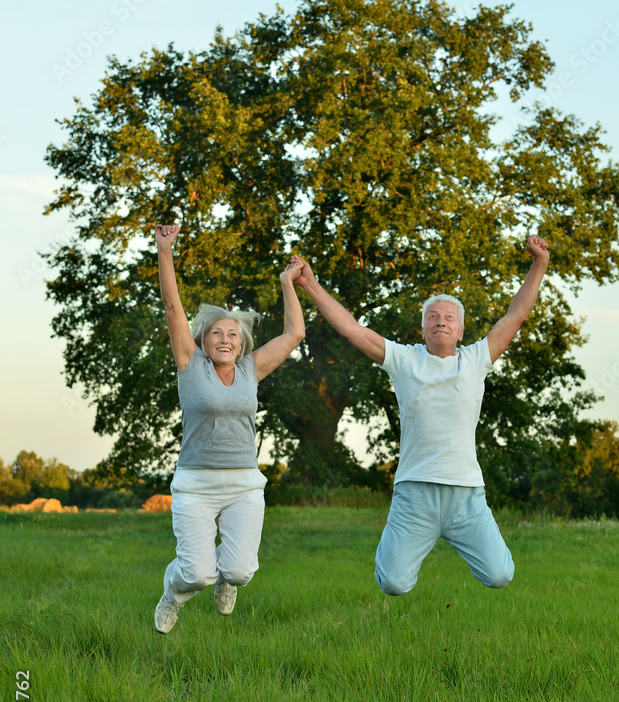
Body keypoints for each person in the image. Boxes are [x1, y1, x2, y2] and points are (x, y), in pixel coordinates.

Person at [291, 236, 550, 596]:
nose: (440, 321)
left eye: (449, 318)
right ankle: (398, 544)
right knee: (394, 583)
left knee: (499, 575)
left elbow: (516, 315)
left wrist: (539, 263)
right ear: (423, 329)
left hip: (466, 496)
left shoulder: (475, 360)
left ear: (460, 330)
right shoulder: (404, 359)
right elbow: (350, 329)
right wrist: (309, 283)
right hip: (415, 494)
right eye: (432, 317)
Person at [153, 223, 305, 634]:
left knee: (239, 571)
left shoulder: (250, 370)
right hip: (195, 483)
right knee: (195, 574)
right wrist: (165, 252)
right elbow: (172, 309)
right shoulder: (190, 365)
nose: (225, 339)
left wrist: (287, 282)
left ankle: (229, 580)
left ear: (241, 345)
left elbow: (295, 334)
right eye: (216, 333)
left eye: (232, 335)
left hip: (243, 483)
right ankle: (172, 593)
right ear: (203, 341)